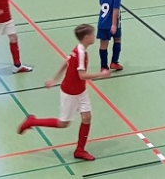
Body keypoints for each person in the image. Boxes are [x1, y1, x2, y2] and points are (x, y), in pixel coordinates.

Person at [17, 24, 111, 161]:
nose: (94, 36)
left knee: (86, 117)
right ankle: (32, 121)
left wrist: (54, 79)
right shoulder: (80, 53)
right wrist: (101, 74)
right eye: (92, 34)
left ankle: (80, 150)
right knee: (63, 124)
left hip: (81, 90)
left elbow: (66, 62)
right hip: (70, 92)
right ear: (86, 37)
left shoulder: (79, 49)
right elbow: (82, 75)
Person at [97, 0, 124, 71]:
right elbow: (115, 9)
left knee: (103, 45)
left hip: (102, 22)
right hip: (113, 23)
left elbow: (102, 4)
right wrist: (114, 24)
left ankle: (104, 67)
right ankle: (114, 62)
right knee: (117, 40)